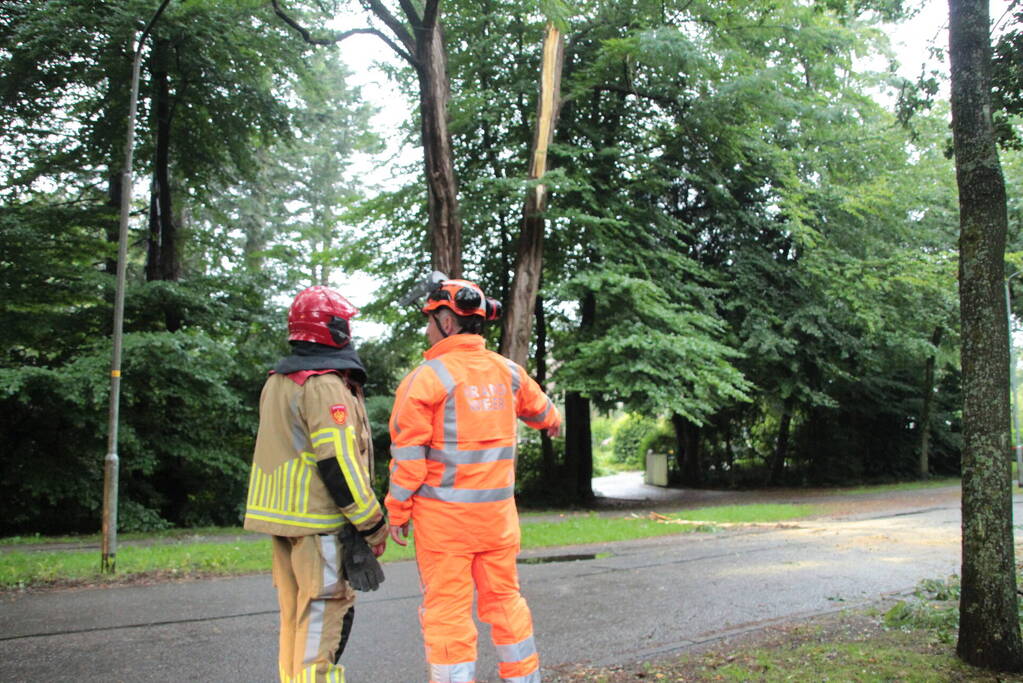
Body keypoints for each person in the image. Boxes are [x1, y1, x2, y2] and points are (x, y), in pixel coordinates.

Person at [386, 277, 562, 683]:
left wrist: (396, 513)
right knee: (505, 603)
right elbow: (543, 412)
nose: (428, 328)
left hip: (445, 528)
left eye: (430, 319)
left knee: (447, 612)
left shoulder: (425, 380)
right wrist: (552, 422)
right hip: (497, 524)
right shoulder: (508, 373)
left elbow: (409, 460)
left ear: (447, 321)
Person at [243, 285, 388, 683]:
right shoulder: (324, 384)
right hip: (317, 524)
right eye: (346, 325)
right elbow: (337, 463)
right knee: (324, 616)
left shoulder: (278, 380)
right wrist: (372, 522)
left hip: (283, 522)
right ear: (333, 329)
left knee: (296, 620)